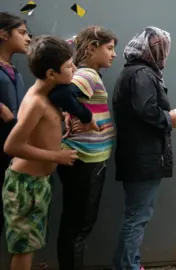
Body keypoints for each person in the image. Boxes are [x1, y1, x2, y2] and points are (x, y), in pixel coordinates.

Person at [2, 35, 78, 270]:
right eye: (68, 66)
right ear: (51, 74)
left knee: (31, 244)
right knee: (24, 249)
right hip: (25, 185)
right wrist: (57, 156)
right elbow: (11, 146)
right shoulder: (36, 102)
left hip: (39, 182)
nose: (74, 69)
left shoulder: (49, 98)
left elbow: (42, 134)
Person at [48, 26, 117, 270]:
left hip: (88, 160)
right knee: (78, 227)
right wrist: (86, 117)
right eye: (109, 48)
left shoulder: (89, 74)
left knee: (76, 225)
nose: (114, 54)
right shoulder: (87, 74)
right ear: (91, 48)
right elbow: (60, 94)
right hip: (85, 162)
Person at [112, 27, 176, 270]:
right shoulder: (142, 74)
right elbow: (147, 110)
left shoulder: (138, 72)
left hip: (140, 156)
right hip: (143, 158)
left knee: (136, 215)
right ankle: (127, 266)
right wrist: (168, 118)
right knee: (137, 217)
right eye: (162, 49)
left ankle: (128, 263)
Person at [0, 12, 31, 239]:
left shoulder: (14, 72)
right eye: (21, 33)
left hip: (12, 155)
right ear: (3, 34)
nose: (28, 38)